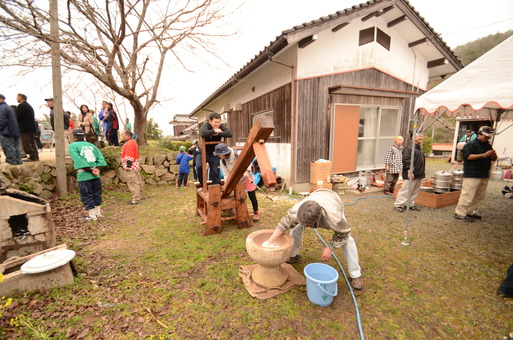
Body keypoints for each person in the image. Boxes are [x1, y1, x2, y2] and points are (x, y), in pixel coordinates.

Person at [266, 188, 363, 290]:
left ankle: (355, 275)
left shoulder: (335, 218)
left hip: (333, 200)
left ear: (315, 222)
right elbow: (285, 223)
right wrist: (271, 239)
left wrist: (330, 248)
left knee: (348, 241)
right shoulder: (297, 210)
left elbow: (344, 234)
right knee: (294, 229)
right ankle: (294, 255)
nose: (302, 224)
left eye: (305, 224)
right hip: (317, 195)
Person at [454, 126, 497, 222]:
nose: (487, 138)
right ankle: (459, 213)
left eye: (489, 137)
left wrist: (493, 155)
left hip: (484, 173)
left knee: (479, 195)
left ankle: (470, 211)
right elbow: (468, 157)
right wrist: (485, 154)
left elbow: (493, 158)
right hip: (472, 173)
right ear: (479, 134)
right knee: (467, 194)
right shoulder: (470, 144)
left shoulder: (488, 145)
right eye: (485, 136)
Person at [68, 129, 107, 221]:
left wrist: (89, 170)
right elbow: (100, 158)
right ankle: (98, 213)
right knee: (97, 193)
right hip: (96, 173)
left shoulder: (72, 146)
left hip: (84, 174)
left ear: (74, 137)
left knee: (86, 194)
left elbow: (78, 159)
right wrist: (97, 169)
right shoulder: (91, 145)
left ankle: (92, 215)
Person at [197, 112, 232, 186]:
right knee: (199, 166)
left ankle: (216, 187)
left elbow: (229, 133)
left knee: (215, 170)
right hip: (203, 152)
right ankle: (203, 185)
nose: (217, 124)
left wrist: (218, 133)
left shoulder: (221, 126)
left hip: (214, 153)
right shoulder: (206, 125)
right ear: (210, 121)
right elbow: (203, 133)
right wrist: (214, 131)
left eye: (218, 122)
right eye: (215, 122)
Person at [394, 134, 425, 212]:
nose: (421, 138)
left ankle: (410, 204)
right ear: (413, 137)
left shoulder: (419, 148)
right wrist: (409, 171)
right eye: (419, 136)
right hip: (411, 173)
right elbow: (406, 160)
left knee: (414, 190)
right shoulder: (409, 148)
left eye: (422, 136)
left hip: (418, 173)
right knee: (406, 190)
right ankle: (398, 204)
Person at [121, 130, 143, 204]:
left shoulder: (130, 143)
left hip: (131, 166)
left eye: (123, 134)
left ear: (127, 135)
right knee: (136, 182)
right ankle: (139, 196)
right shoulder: (132, 142)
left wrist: (128, 165)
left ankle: (136, 199)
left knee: (133, 183)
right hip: (134, 165)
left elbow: (130, 154)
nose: (122, 135)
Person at [0, 94, 22, 165]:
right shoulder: (9, 108)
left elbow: (2, 121)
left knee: (8, 147)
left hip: (7, 132)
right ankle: (18, 161)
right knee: (16, 147)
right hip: (14, 131)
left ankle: (11, 162)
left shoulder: (2, 108)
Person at [16, 94, 39, 161]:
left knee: (26, 143)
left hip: (25, 128)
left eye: (17, 97)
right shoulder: (28, 106)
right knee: (32, 142)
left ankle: (32, 156)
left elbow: (18, 116)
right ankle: (35, 156)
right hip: (31, 128)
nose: (17, 99)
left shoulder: (21, 106)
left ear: (21, 98)